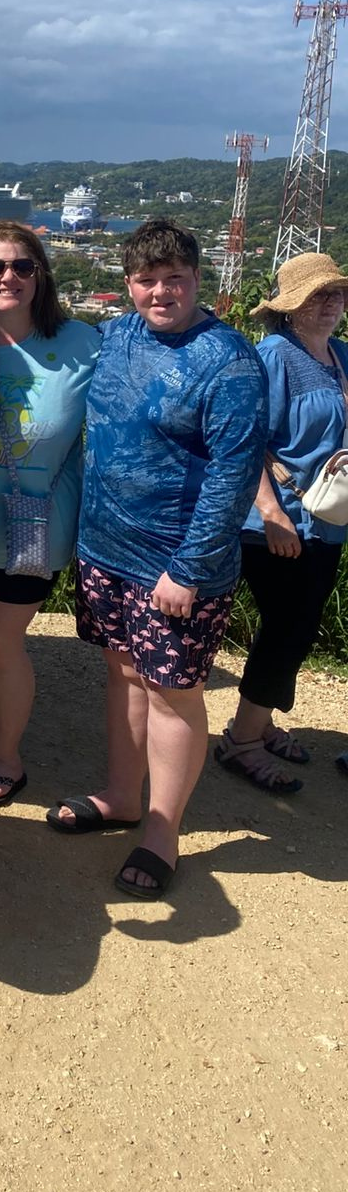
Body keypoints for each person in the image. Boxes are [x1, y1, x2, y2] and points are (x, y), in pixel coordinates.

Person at [48, 220, 267, 900]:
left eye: (175, 277)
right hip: (104, 549)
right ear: (129, 284)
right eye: (147, 279)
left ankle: (163, 831)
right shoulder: (116, 335)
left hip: (175, 566)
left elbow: (235, 474)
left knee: (174, 696)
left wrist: (191, 568)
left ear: (199, 279)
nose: (161, 291)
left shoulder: (229, 361)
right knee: (122, 678)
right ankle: (120, 794)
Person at [0, 223, 99, 807]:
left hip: (36, 522)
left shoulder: (82, 342)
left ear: (41, 276)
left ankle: (7, 756)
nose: (8, 277)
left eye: (23, 266)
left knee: (0, 643)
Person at [217, 253, 348, 792]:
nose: (331, 303)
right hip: (275, 520)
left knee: (299, 623)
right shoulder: (272, 356)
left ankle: (260, 720)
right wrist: (271, 514)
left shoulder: (340, 355)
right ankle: (240, 741)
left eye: (336, 293)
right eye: (318, 295)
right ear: (290, 306)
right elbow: (247, 443)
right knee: (287, 628)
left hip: (328, 519)